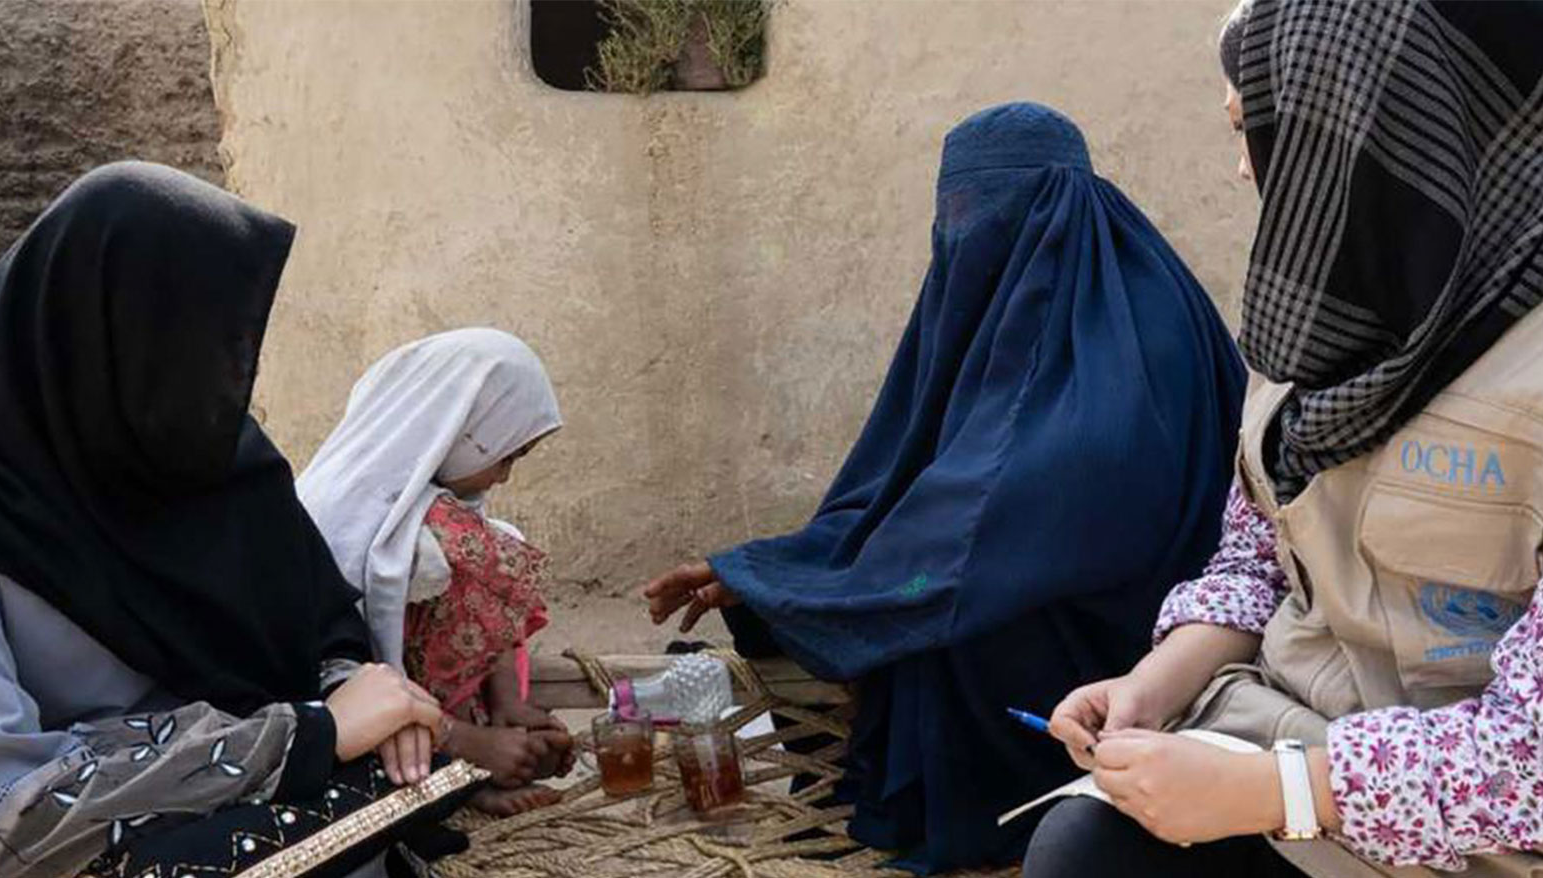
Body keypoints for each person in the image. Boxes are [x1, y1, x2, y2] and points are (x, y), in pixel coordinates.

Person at [644, 102, 1247, 871]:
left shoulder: (1138, 328)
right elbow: (912, 474)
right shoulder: (1019, 299)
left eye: (984, 210)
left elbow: (1012, 522)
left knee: (948, 621)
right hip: (1018, 568)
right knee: (810, 594)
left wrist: (814, 579)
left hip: (1138, 640)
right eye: (953, 211)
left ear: (1054, 202)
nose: (965, 233)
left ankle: (995, 816)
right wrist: (775, 568)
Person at [1024, 2, 1543, 877]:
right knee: (1082, 851)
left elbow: (1526, 765)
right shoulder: (1309, 325)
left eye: (1262, 127)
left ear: (1373, 133)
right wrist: (1152, 689)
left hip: (1466, 836)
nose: (1242, 168)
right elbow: (1260, 560)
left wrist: (1279, 793)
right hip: (1274, 744)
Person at [0, 162, 453, 878]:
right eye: (186, 347)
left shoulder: (218, 462)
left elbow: (315, 620)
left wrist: (352, 692)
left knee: (411, 781)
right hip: (76, 837)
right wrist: (302, 738)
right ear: (88, 338)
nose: (225, 381)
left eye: (234, 349)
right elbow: (4, 812)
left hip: (248, 788)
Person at [300, 329, 574, 817]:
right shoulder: (345, 514)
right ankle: (456, 769)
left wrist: (508, 701)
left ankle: (473, 757)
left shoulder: (434, 504)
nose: (504, 475)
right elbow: (333, 671)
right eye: (505, 455)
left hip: (417, 699)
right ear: (459, 428)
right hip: (347, 706)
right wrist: (468, 742)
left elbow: (492, 617)